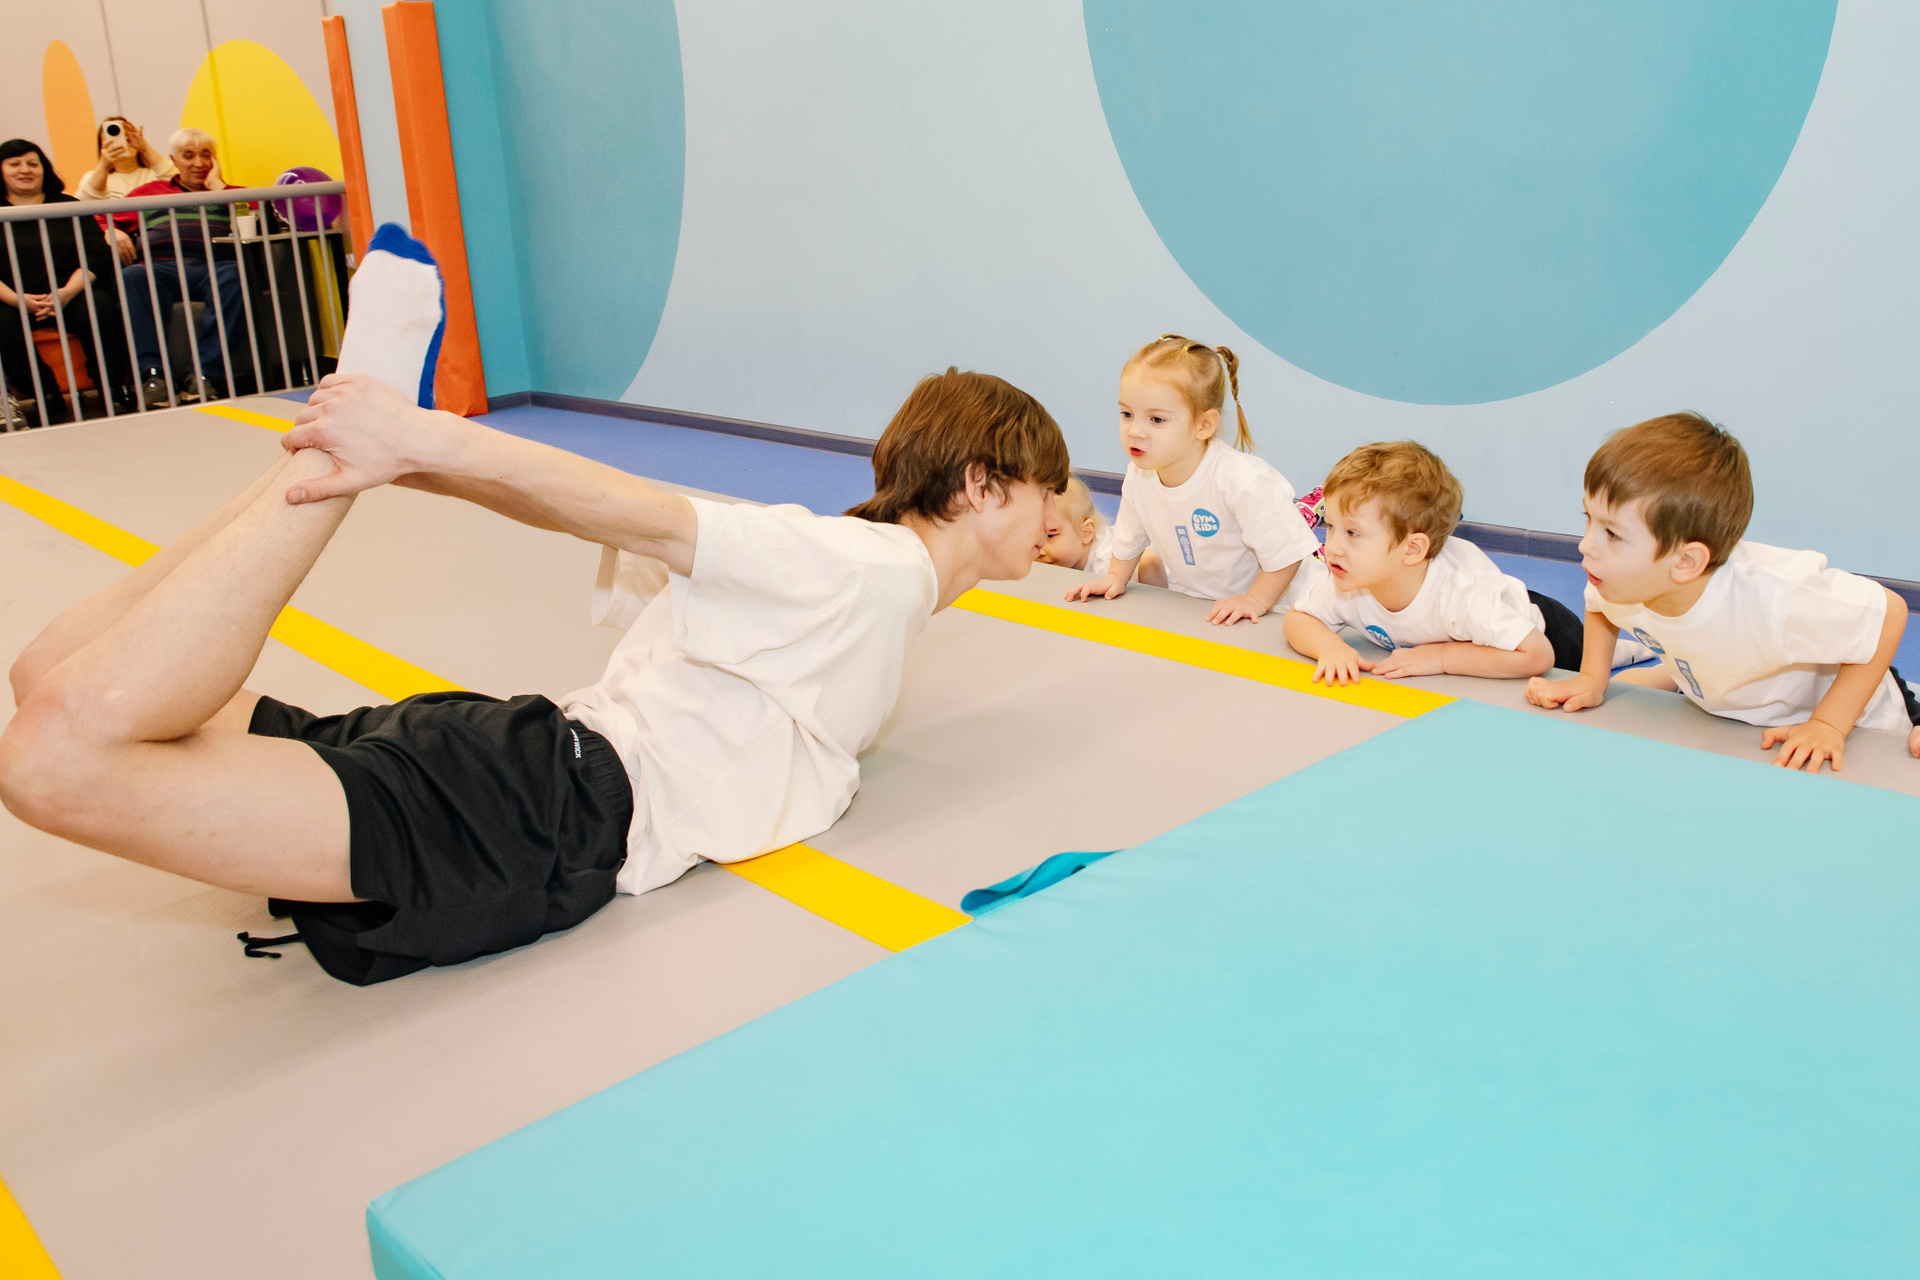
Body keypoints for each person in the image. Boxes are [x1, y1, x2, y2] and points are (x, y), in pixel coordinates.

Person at [0, 229, 1071, 984]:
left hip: (512, 754)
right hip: (537, 807)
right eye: (1048, 490)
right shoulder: (871, 569)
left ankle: (331, 436)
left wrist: (420, 456)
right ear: (982, 485)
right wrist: (410, 440)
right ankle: (332, 448)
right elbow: (643, 511)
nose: (1061, 516)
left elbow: (590, 517)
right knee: (52, 757)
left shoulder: (857, 584)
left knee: (48, 672)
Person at [1526, 413, 1920, 771]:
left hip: (1860, 717)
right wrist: (1592, 678)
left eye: (1612, 533)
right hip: (1735, 705)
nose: (1586, 545)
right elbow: (1599, 608)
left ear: (1685, 562)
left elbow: (1888, 612)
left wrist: (1828, 725)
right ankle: (1674, 675)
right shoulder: (1619, 581)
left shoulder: (1771, 595)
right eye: (1589, 519)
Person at [1284, 441, 1649, 684]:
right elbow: (1298, 618)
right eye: (1331, 527)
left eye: (1353, 533)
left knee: (1601, 662)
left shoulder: (1462, 596)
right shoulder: (1350, 583)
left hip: (1545, 628)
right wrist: (1329, 646)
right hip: (1485, 626)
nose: (1333, 547)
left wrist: (1441, 658)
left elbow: (1537, 655)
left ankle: (1639, 651)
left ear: (1412, 550)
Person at [1066, 334, 1325, 624]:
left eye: (1156, 419)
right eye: (1127, 413)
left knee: (1296, 534)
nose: (1135, 431)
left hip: (1283, 605)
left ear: (1204, 425)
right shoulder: (1139, 475)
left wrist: (1256, 600)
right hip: (1209, 603)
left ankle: (1314, 506)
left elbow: (1288, 554)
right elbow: (1129, 538)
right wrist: (1115, 577)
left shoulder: (1242, 480)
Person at [0, 139, 134, 423]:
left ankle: (111, 389)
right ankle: (45, 395)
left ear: (44, 169)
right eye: (15, 164)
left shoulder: (68, 205)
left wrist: (68, 292)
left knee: (100, 306)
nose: (25, 170)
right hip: (12, 299)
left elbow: (96, 253)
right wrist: (17, 299)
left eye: (33, 163)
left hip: (71, 292)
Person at [122, 128, 245, 405]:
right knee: (133, 275)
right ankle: (153, 376)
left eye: (206, 155)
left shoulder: (230, 193)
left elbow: (259, 215)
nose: (199, 163)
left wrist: (217, 189)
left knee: (237, 274)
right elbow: (98, 219)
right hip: (160, 267)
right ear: (173, 160)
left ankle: (203, 374)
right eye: (188, 155)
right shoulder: (148, 193)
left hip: (214, 266)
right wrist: (111, 231)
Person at [76, 116, 175, 265]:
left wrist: (145, 148)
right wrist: (104, 164)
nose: (122, 142)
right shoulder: (94, 178)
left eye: (127, 137)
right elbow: (83, 207)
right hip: (112, 251)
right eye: (112, 138)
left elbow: (181, 181)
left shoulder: (154, 174)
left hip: (158, 244)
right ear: (101, 146)